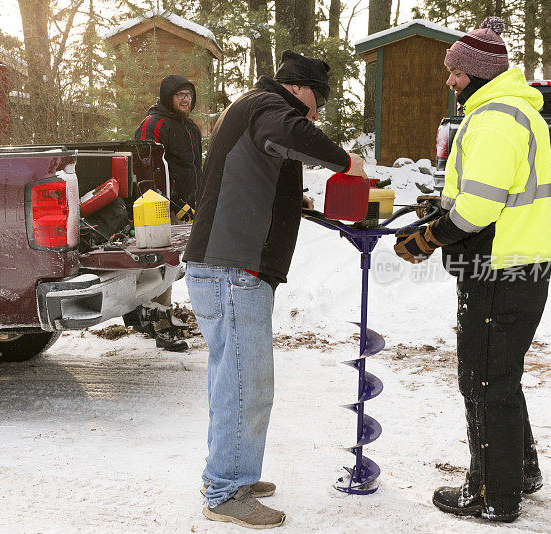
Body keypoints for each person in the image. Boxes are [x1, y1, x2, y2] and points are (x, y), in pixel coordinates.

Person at [183, 50, 366, 529]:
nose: (317, 114)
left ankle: (227, 473)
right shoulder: (267, 107)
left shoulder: (251, 107)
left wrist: (292, 198)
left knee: (233, 379)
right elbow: (289, 134)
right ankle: (227, 491)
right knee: (248, 382)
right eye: (317, 103)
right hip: (232, 270)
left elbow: (259, 167)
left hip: (226, 266)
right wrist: (347, 161)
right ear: (301, 90)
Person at [393, 17, 551, 523]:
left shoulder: (493, 120)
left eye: (457, 74)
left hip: (498, 270)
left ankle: (492, 493)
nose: (450, 81)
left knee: (483, 380)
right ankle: (519, 472)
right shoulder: (513, 112)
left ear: (481, 74)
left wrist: (429, 237)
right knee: (500, 376)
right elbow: (486, 193)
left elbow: (480, 208)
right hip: (516, 263)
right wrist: (441, 204)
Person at [131, 74, 204, 352]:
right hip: (160, 209)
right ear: (167, 97)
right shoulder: (154, 124)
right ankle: (161, 325)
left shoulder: (189, 127)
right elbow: (144, 169)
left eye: (189, 95)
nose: (186, 99)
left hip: (190, 206)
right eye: (180, 95)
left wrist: (198, 199)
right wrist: (172, 204)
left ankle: (153, 316)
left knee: (170, 265)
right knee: (162, 265)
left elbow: (194, 168)